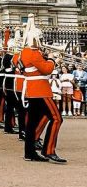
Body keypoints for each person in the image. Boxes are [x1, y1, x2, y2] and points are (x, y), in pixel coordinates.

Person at [20, 16, 64, 163]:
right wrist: (52, 59)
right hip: (40, 90)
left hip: (32, 91)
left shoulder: (26, 52)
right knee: (57, 118)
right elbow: (46, 69)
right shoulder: (34, 53)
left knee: (32, 122)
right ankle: (49, 150)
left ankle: (30, 152)